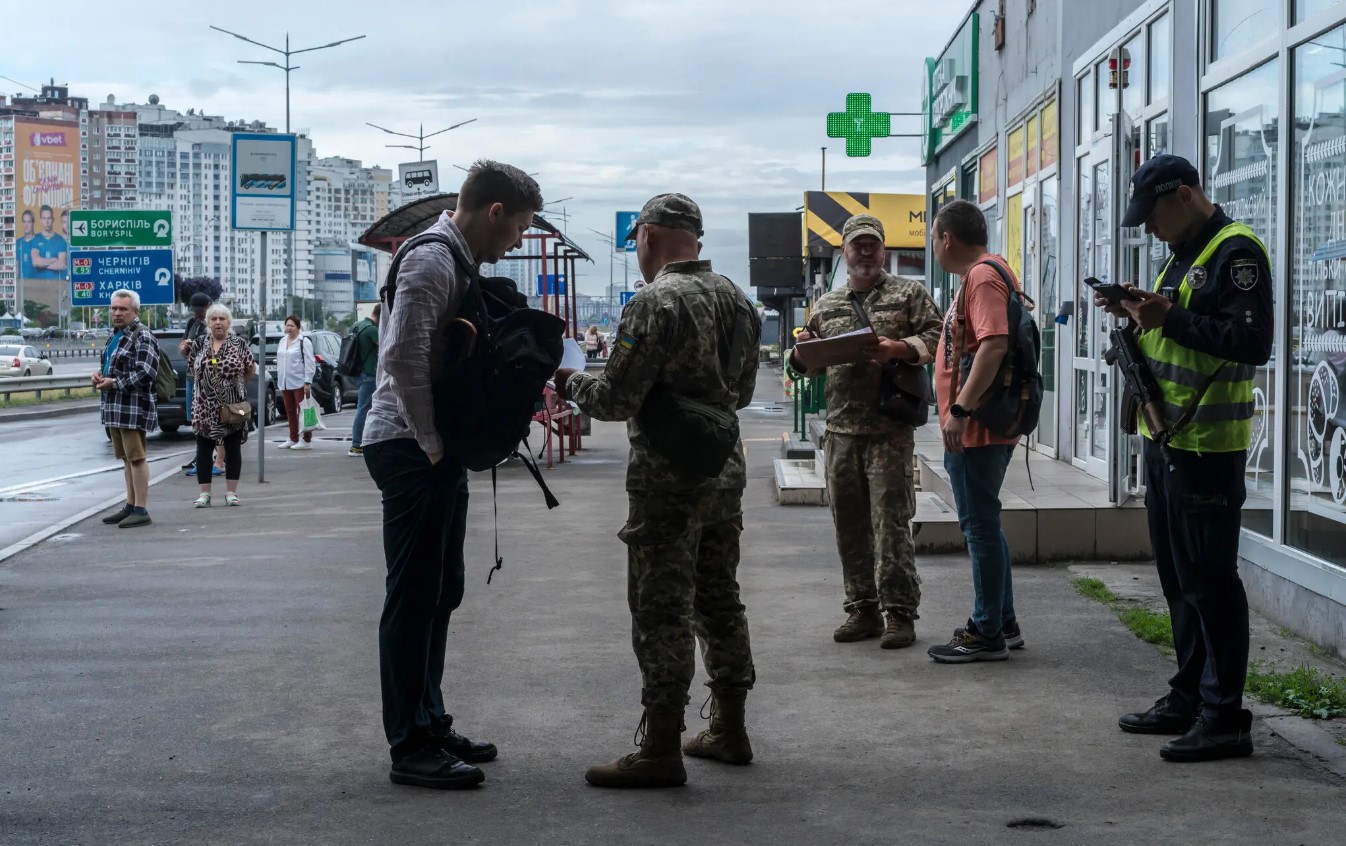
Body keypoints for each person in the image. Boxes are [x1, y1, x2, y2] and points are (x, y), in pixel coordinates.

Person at [556, 193, 761, 789]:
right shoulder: (739, 302)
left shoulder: (653, 302)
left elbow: (616, 399)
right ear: (694, 238)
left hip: (666, 481)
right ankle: (729, 727)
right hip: (724, 469)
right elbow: (743, 395)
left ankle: (662, 747)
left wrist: (572, 381)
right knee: (720, 596)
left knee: (660, 607)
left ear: (646, 236)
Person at [362, 159, 542, 790]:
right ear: (494, 213)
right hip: (410, 447)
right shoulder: (433, 259)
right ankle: (408, 742)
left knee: (442, 589)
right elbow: (402, 358)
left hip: (431, 450)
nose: (518, 240)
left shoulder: (457, 260)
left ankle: (430, 719)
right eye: (518, 227)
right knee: (412, 596)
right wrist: (437, 446)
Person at [1098, 154, 1272, 763]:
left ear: (1186, 194)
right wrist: (1136, 312)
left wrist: (1167, 316)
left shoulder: (1236, 252)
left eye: (1154, 214)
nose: (1148, 229)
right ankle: (1190, 695)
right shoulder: (1184, 255)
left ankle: (1225, 716)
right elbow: (1180, 329)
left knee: (1210, 582)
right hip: (1166, 438)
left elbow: (1251, 342)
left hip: (1206, 449)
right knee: (1178, 580)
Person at [790, 214, 942, 649]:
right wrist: (801, 354)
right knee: (849, 526)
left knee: (891, 524)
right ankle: (862, 609)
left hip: (889, 433)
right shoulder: (828, 305)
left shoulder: (908, 293)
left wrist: (901, 348)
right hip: (840, 432)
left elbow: (937, 338)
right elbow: (802, 362)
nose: (866, 251)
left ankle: (900, 614)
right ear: (845, 252)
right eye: (858, 244)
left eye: (873, 243)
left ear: (882, 248)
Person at [924, 200, 1026, 664]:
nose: (933, 246)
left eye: (933, 237)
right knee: (986, 521)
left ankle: (986, 632)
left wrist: (960, 409)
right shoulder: (990, 271)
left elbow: (994, 345)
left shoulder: (982, 275)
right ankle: (1002, 619)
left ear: (947, 238)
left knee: (978, 526)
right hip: (980, 423)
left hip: (977, 426)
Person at [95, 289, 161, 529]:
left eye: (123, 309)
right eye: (114, 308)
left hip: (133, 407)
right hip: (114, 407)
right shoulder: (115, 336)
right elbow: (112, 368)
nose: (117, 313)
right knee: (125, 458)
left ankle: (141, 509)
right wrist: (101, 377)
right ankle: (131, 506)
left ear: (135, 311)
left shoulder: (143, 336)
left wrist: (116, 383)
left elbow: (147, 372)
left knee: (136, 457)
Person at [185, 304, 252, 507]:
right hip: (204, 407)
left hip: (231, 407)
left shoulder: (238, 344)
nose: (218, 323)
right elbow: (191, 369)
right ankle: (204, 494)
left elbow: (250, 368)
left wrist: (236, 388)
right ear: (208, 323)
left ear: (229, 322)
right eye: (213, 319)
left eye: (222, 319)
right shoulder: (199, 344)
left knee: (232, 449)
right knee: (203, 450)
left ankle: (231, 492)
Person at [180, 293, 220, 476]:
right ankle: (202, 456)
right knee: (196, 421)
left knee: (212, 420)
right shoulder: (191, 323)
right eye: (195, 311)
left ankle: (217, 459)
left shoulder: (215, 323)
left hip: (209, 379)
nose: (197, 314)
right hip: (192, 377)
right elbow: (183, 349)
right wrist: (186, 347)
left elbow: (217, 354)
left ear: (209, 306)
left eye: (200, 310)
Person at [276, 315, 316, 450]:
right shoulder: (282, 341)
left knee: (304, 411)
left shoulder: (303, 341)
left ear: (298, 327)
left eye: (292, 325)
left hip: (300, 381)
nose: (289, 328)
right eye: (287, 325)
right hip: (285, 382)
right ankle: (293, 438)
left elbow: (310, 362)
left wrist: (307, 382)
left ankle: (306, 439)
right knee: (290, 411)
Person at [348, 304, 381, 458]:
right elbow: (386, 347)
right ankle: (356, 445)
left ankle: (364, 441)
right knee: (364, 409)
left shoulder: (357, 325)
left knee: (365, 408)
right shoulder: (373, 331)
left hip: (356, 372)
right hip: (369, 373)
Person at [31, 205, 68, 279]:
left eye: (49, 218)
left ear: (53, 219)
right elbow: (35, 262)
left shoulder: (60, 240)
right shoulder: (35, 239)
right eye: (44, 218)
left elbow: (61, 264)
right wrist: (53, 260)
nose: (47, 222)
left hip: (56, 286)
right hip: (39, 285)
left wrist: (42, 264)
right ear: (40, 220)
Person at [16, 210, 37, 281]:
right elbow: (16, 267)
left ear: (33, 223)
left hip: (37, 286)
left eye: (29, 222)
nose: (26, 225)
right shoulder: (17, 243)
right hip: (22, 287)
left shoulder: (40, 241)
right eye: (24, 222)